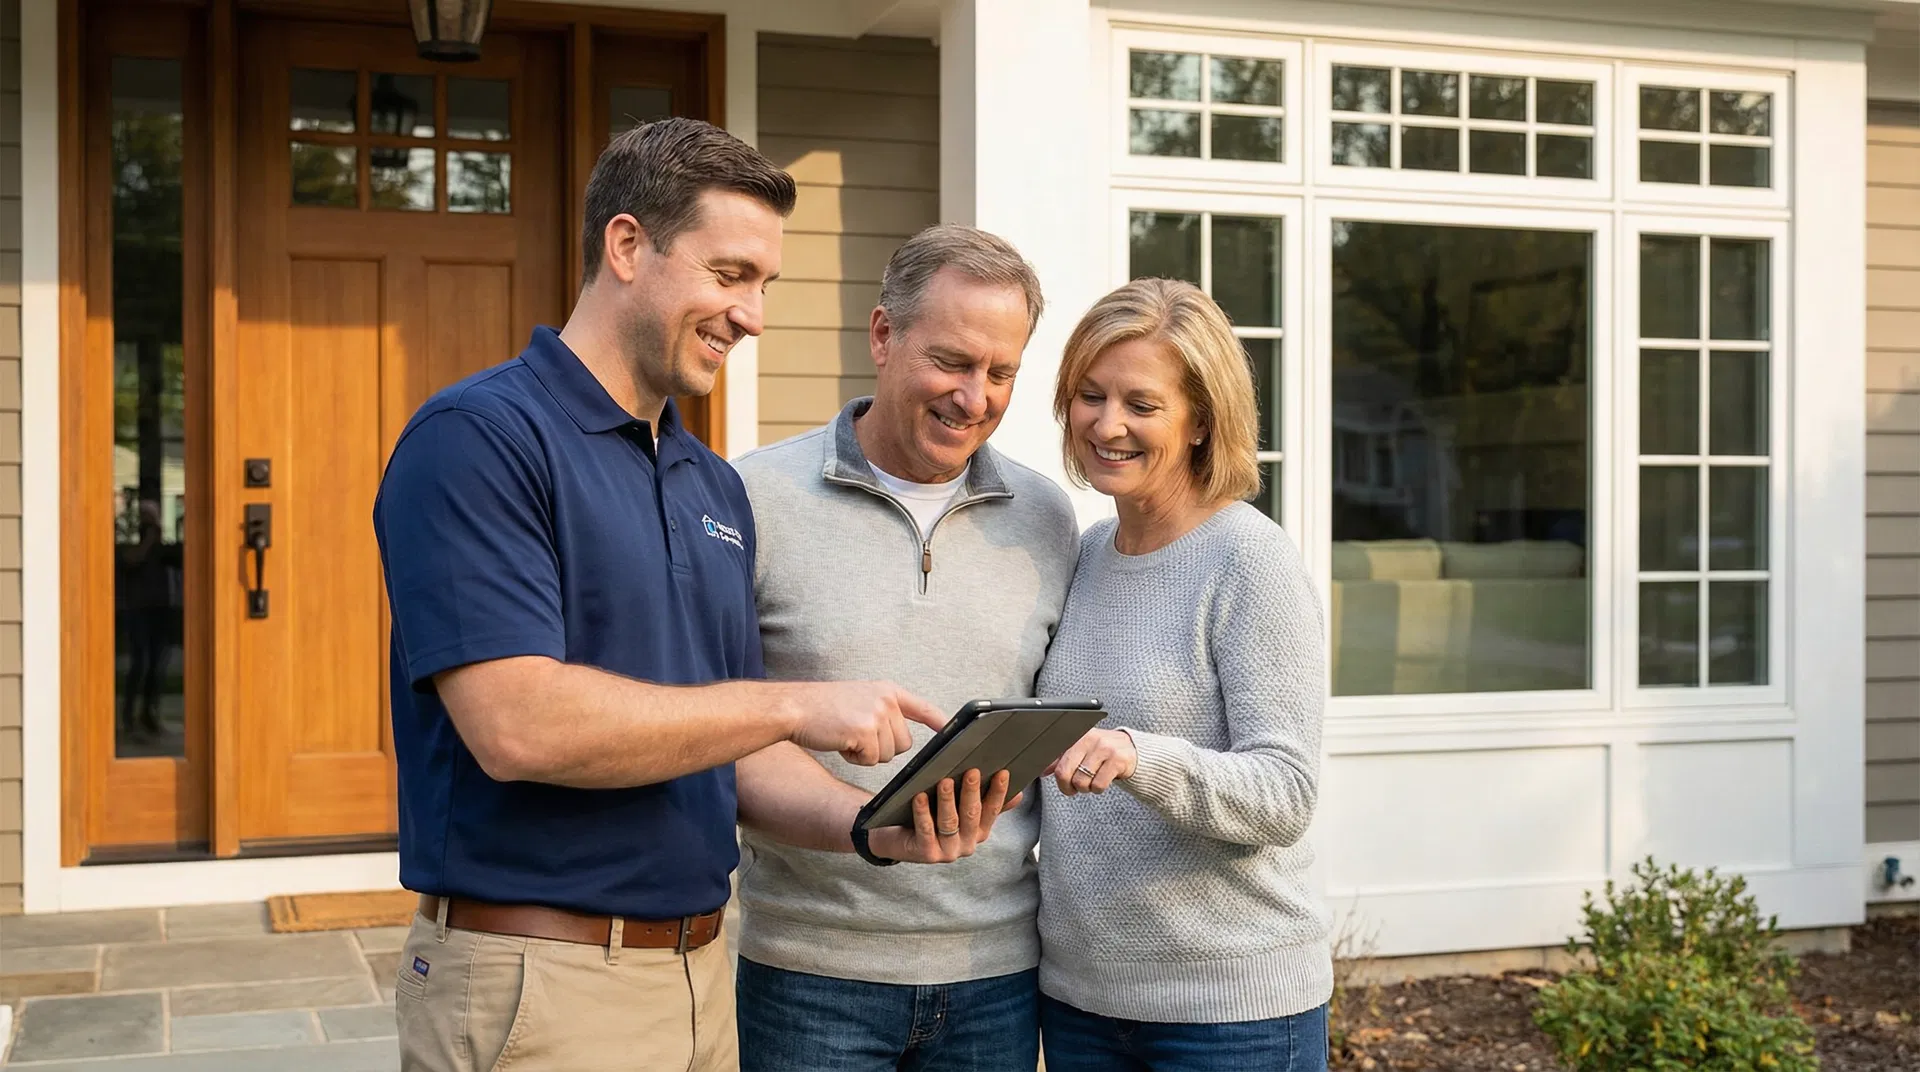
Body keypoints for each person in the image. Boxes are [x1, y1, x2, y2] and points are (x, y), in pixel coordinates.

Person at [373, 121, 1011, 1072]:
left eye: (764, 285)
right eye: (728, 274)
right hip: (537, 982)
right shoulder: (480, 439)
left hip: (701, 980)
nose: (752, 315)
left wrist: (875, 829)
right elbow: (516, 726)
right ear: (626, 246)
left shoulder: (709, 484)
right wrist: (795, 702)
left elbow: (726, 753)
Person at [729, 224, 1080, 1071]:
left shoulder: (1048, 519)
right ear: (884, 336)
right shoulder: (752, 499)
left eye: (1002, 374)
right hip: (810, 973)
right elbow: (719, 733)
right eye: (953, 363)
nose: (975, 397)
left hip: (996, 975)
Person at [1034, 277, 1332, 1071]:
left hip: (1232, 1016)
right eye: (1089, 395)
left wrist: (1142, 756)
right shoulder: (1086, 555)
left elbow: (1287, 793)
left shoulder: (1248, 560)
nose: (1108, 425)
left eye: (1141, 403)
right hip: (1080, 1002)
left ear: (1201, 419)